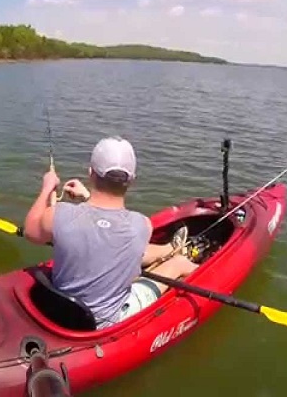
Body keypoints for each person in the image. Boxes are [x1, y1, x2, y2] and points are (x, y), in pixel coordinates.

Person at [23, 136, 198, 329]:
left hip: (61, 308)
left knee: (127, 250)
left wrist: (47, 187)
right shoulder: (141, 226)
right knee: (179, 264)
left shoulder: (58, 214)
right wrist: (88, 198)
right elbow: (111, 232)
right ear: (131, 180)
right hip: (107, 322)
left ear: (91, 173)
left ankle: (169, 249)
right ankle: (179, 256)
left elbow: (30, 231)